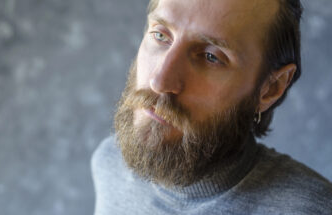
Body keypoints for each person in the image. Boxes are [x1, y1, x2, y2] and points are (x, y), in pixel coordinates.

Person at [92, 0, 332, 214]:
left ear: (270, 88)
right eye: (161, 35)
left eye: (211, 57)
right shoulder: (110, 163)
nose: (160, 81)